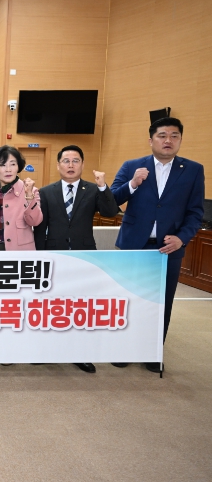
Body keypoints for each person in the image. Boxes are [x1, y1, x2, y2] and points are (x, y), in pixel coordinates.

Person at [110, 117, 204, 373]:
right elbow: (111, 200)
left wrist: (182, 238)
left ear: (180, 140)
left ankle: (153, 352)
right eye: (162, 135)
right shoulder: (132, 166)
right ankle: (124, 349)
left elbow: (195, 212)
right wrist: (132, 184)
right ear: (151, 140)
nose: (168, 140)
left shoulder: (193, 170)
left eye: (174, 136)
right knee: (128, 299)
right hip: (133, 246)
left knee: (162, 302)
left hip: (168, 249)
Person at [33, 144, 120, 374]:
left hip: (84, 257)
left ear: (82, 164)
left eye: (75, 161)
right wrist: (39, 257)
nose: (70, 165)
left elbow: (111, 212)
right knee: (53, 305)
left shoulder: (92, 189)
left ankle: (79, 353)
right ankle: (47, 351)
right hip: (54, 256)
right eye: (66, 161)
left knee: (79, 306)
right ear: (58, 165)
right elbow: (40, 228)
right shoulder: (46, 192)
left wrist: (103, 186)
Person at [0, 145, 42, 251]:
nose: (8, 170)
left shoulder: (31, 191)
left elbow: (35, 221)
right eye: (2, 165)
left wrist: (29, 197)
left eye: (13, 164)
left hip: (19, 252)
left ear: (18, 167)